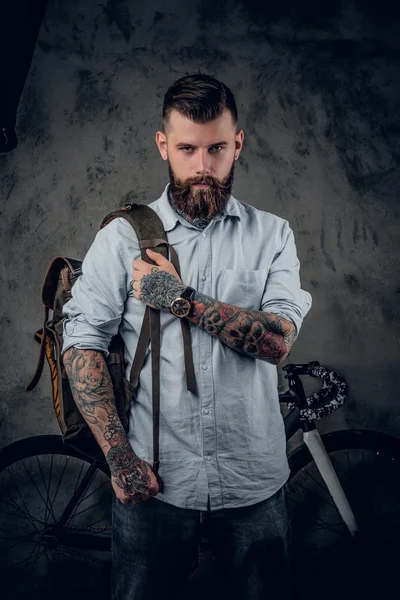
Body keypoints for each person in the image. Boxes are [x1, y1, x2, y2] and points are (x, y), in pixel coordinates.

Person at [61, 72, 312, 600]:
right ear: (163, 146)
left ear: (238, 144)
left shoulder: (273, 235)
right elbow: (81, 345)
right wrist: (120, 460)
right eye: (187, 149)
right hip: (155, 487)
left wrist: (182, 300)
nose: (203, 167)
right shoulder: (122, 238)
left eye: (217, 148)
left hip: (254, 487)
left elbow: (277, 341)